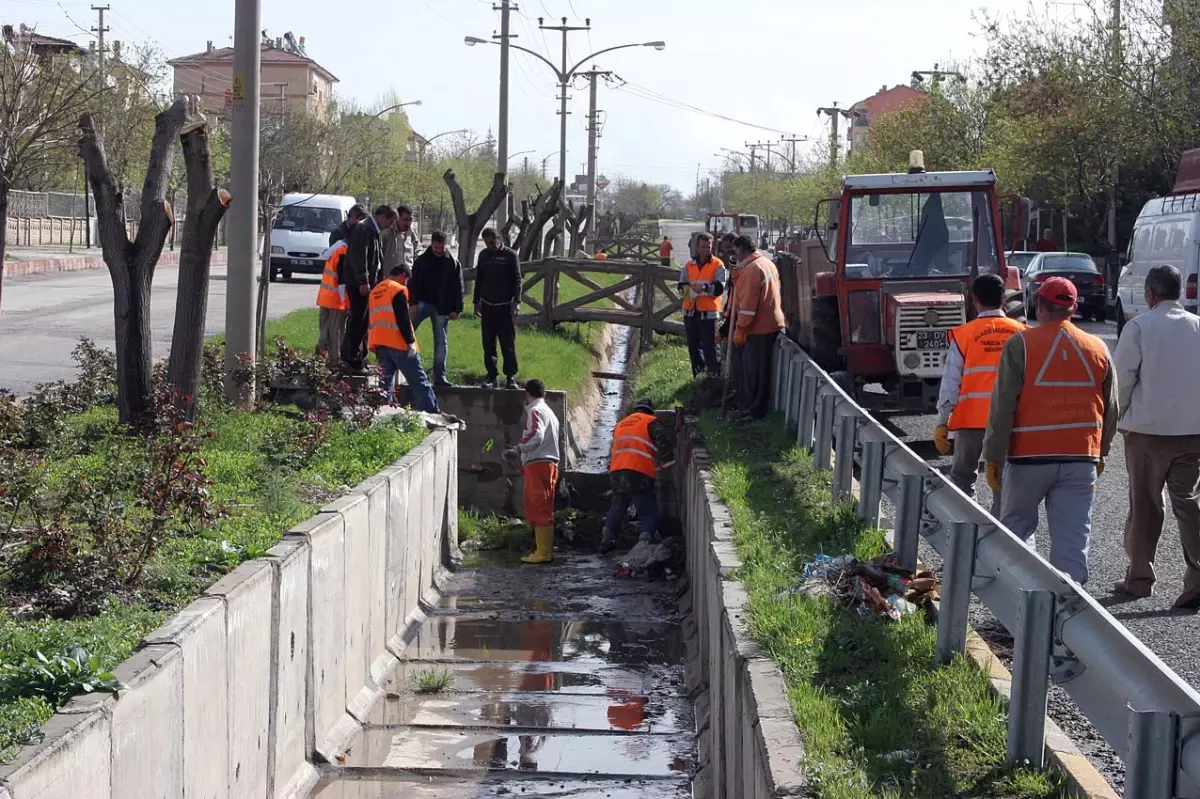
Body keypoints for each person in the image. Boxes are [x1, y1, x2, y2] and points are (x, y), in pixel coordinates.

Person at [983, 276, 1117, 584]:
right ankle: (1065, 618)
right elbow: (1112, 408)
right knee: (1072, 543)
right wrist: (1102, 452)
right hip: (1080, 459)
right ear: (1073, 308)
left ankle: (1021, 607)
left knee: (1017, 532)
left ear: (1040, 305)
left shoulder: (1022, 344)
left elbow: (1003, 405)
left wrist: (993, 456)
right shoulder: (1098, 348)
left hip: (1028, 459)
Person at [1112, 264, 1200, 611]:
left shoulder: (1139, 327)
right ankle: (1196, 579)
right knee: (1190, 505)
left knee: (1145, 505)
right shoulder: (1197, 327)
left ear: (1150, 293)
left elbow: (1123, 380)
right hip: (1193, 433)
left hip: (1147, 432)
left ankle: (1139, 578)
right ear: (1178, 292)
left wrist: (1114, 424)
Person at [935, 273, 1025, 514]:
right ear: (1004, 299)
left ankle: (967, 533)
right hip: (1010, 421)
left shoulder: (964, 334)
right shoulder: (1022, 333)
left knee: (962, 479)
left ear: (974, 300)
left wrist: (943, 422)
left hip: (970, 421)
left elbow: (951, 382)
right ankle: (1001, 539)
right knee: (1005, 482)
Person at [599, 398, 673, 554]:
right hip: (639, 471)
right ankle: (645, 542)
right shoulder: (650, 421)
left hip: (617, 471)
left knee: (618, 505)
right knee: (647, 509)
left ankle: (606, 540)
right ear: (649, 410)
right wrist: (667, 458)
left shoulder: (621, 424)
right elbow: (663, 439)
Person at [367, 263, 439, 413]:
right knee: (419, 382)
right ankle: (433, 414)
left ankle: (382, 414)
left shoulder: (375, 291)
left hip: (380, 343)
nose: (406, 284)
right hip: (398, 344)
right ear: (402, 276)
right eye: (406, 281)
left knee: (384, 385)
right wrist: (410, 342)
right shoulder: (397, 290)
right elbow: (403, 319)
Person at [503, 379, 561, 564]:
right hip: (548, 463)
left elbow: (536, 435)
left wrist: (518, 449)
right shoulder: (549, 412)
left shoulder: (536, 411)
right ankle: (543, 550)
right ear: (544, 394)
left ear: (527, 395)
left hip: (539, 464)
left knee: (538, 506)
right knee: (544, 506)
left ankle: (543, 553)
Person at [730, 235, 786, 419]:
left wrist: (741, 328)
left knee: (754, 371)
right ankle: (755, 407)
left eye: (736, 252)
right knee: (761, 369)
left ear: (743, 250)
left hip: (758, 326)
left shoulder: (751, 270)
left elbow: (747, 304)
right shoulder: (766, 263)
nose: (734, 256)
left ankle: (754, 410)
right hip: (770, 322)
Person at [341, 205, 398, 374]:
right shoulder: (363, 229)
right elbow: (360, 258)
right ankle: (354, 360)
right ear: (381, 216)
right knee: (359, 320)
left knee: (364, 321)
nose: (391, 224)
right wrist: (363, 281)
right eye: (390, 220)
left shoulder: (372, 231)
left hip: (368, 284)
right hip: (360, 285)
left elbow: (375, 259)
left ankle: (357, 357)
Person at [410, 231, 465, 387]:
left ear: (446, 245)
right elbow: (413, 283)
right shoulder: (421, 261)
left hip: (442, 307)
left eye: (441, 247)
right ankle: (401, 367)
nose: (439, 250)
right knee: (405, 334)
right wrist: (412, 302)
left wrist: (457, 308)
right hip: (421, 303)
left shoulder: (452, 262)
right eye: (436, 247)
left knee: (441, 342)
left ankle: (439, 376)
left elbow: (458, 287)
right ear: (431, 244)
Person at [474, 228, 522, 388]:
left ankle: (510, 377)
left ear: (498, 238)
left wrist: (517, 301)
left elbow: (517, 279)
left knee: (507, 343)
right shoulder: (483, 256)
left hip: (505, 306)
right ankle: (491, 377)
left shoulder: (510, 255)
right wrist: (476, 302)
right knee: (488, 344)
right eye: (487, 243)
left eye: (492, 242)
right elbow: (479, 279)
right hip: (487, 306)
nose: (490, 246)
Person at [679, 232, 727, 377]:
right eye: (703, 247)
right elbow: (681, 285)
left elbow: (719, 288)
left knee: (710, 347)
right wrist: (687, 289)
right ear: (697, 247)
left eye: (708, 247)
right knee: (694, 348)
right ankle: (698, 377)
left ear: (712, 247)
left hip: (708, 313)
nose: (705, 249)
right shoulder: (689, 265)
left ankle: (713, 377)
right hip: (690, 312)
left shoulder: (718, 265)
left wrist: (705, 287)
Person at [315, 238, 350, 370]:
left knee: (324, 329)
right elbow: (342, 279)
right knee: (336, 331)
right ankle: (334, 361)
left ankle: (320, 354)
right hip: (336, 299)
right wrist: (345, 301)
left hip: (325, 296)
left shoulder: (335, 248)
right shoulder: (343, 250)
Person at [381, 205, 419, 274]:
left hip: (408, 277)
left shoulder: (412, 232)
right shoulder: (387, 232)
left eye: (410, 220)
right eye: (405, 220)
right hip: (391, 277)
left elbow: (417, 251)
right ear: (397, 218)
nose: (408, 223)